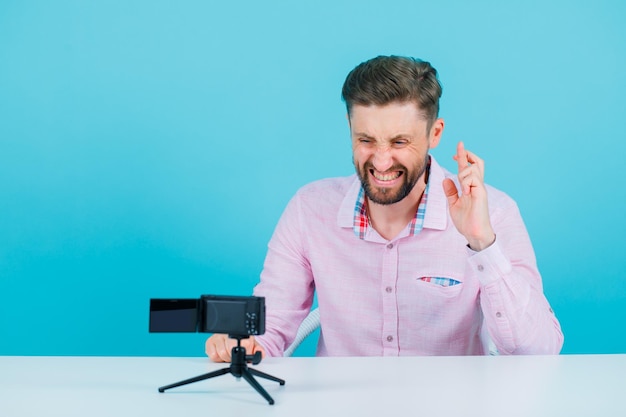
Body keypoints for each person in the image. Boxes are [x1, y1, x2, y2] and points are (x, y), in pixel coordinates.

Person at [205, 55, 564, 361]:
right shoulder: (309, 209)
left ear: (434, 134)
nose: (380, 160)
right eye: (365, 139)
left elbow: (537, 353)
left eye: (399, 141)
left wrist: (482, 243)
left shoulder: (494, 213)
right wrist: (241, 344)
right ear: (349, 127)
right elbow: (270, 330)